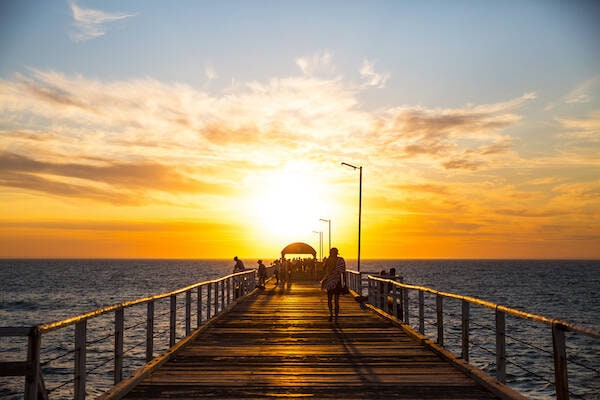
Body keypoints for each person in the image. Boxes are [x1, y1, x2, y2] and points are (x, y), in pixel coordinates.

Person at [320, 247, 346, 322]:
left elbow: (323, 269)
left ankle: (331, 314)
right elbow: (343, 272)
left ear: (330, 252)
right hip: (338, 282)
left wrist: (327, 261)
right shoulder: (341, 260)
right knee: (336, 300)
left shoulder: (328, 260)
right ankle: (336, 317)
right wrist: (345, 283)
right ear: (337, 253)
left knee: (329, 300)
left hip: (330, 282)